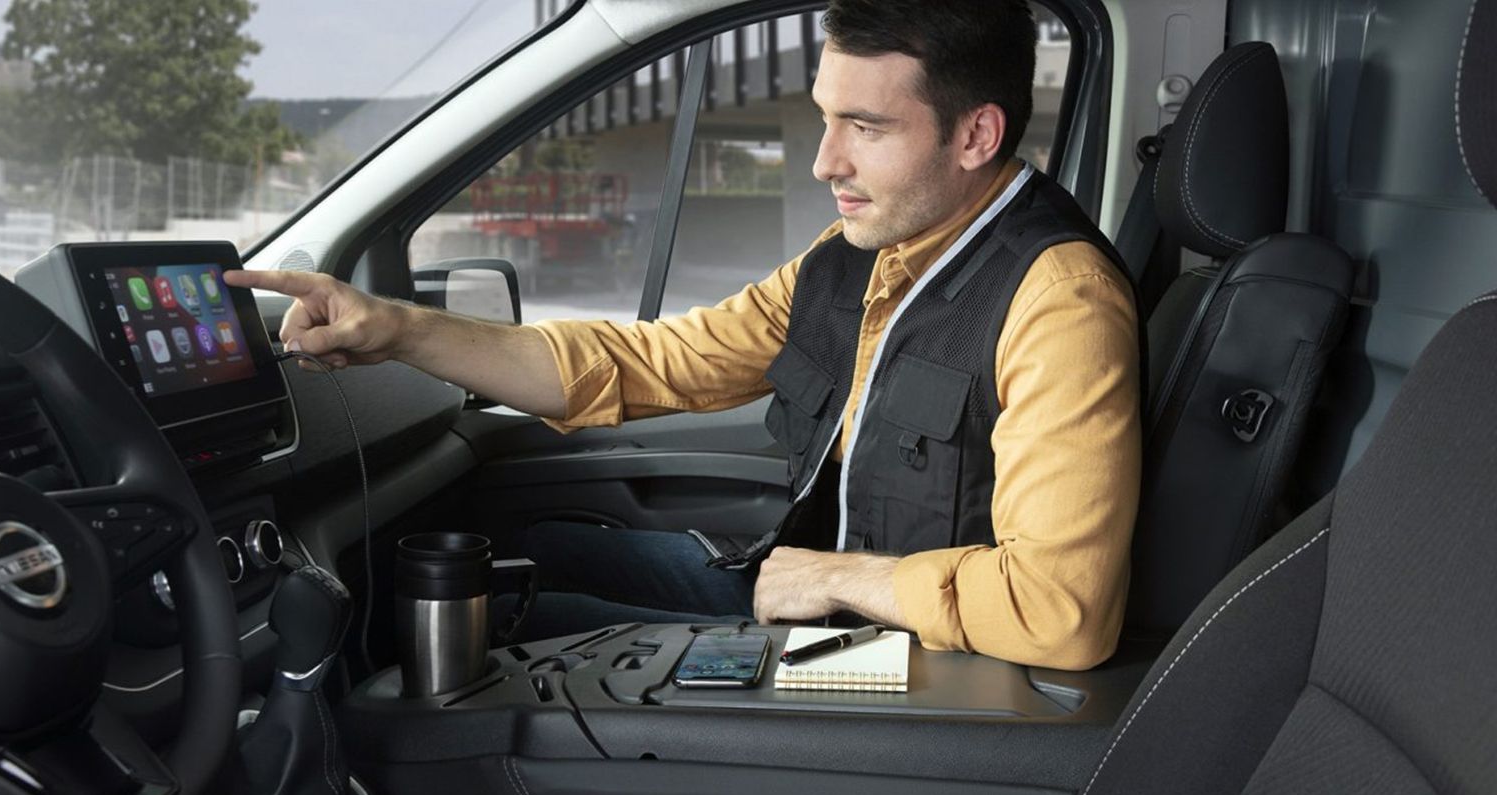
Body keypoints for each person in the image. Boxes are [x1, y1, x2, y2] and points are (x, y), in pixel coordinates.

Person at [228, 0, 1140, 671]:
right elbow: (650, 363)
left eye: (865, 127)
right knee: (529, 554)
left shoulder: (1059, 303)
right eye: (826, 118)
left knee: (495, 627)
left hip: (906, 669)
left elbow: (1061, 611)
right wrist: (398, 330)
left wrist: (840, 580)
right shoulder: (857, 258)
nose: (824, 161)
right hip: (822, 606)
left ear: (976, 135)